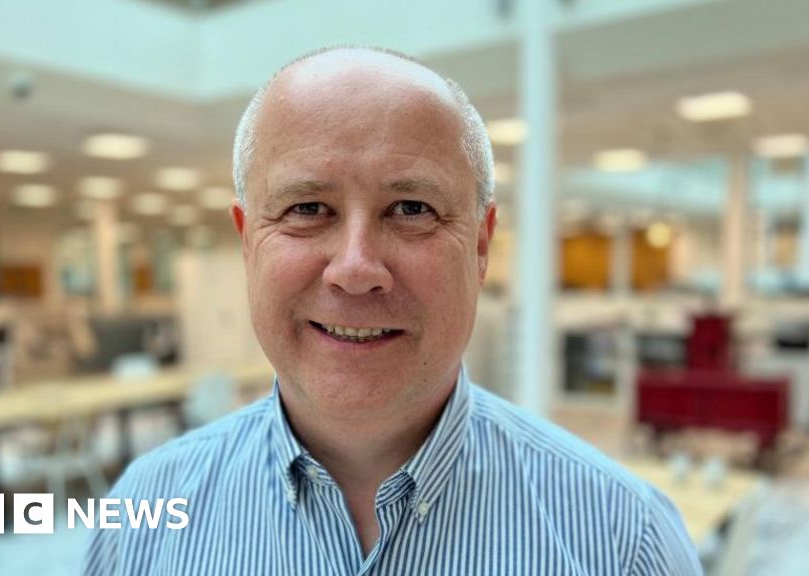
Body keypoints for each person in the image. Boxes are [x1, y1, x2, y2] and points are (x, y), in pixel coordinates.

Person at [84, 46, 702, 575]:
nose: (355, 269)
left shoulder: (625, 541)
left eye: (411, 209)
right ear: (249, 243)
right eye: (307, 209)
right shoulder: (141, 519)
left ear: (480, 246)